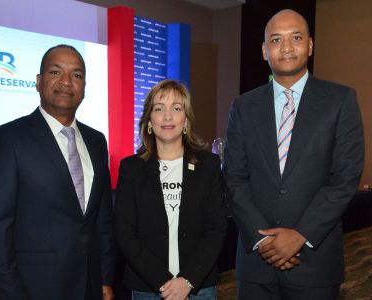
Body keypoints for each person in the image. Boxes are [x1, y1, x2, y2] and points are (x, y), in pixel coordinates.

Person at [223, 9, 364, 300]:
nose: (286, 47)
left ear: (310, 45)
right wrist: (265, 242)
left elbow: (345, 177)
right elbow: (234, 178)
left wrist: (300, 235)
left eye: (296, 37)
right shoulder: (243, 106)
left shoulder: (341, 100)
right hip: (255, 266)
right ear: (264, 50)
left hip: (315, 264)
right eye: (276, 39)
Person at [0, 45, 116, 300]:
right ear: (39, 82)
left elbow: (102, 220)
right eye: (55, 72)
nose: (66, 82)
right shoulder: (8, 139)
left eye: (76, 75)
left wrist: (106, 278)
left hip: (91, 287)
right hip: (33, 290)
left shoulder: (97, 142)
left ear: (84, 86)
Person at [115, 80, 227, 299]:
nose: (167, 117)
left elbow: (217, 229)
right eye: (159, 108)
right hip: (148, 288)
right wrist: (165, 283)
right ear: (149, 120)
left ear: (186, 119)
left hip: (199, 288)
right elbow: (125, 233)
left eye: (176, 108)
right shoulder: (131, 168)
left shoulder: (209, 165)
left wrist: (187, 281)